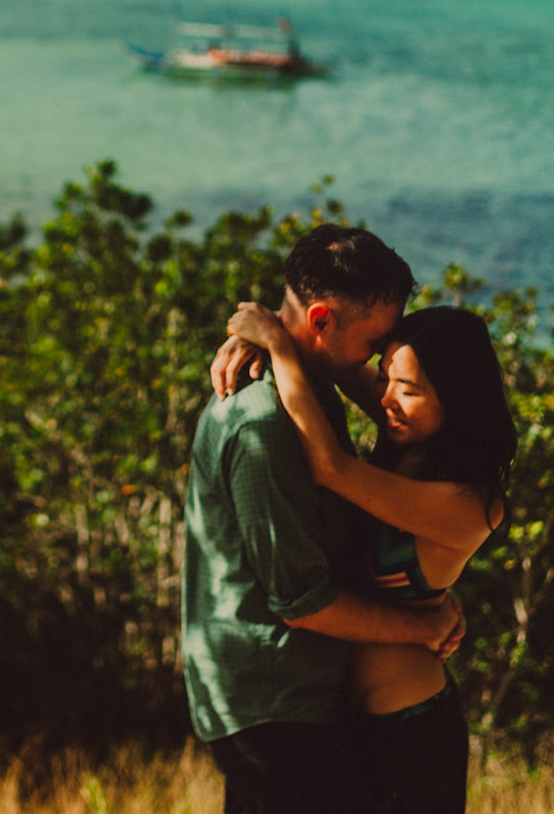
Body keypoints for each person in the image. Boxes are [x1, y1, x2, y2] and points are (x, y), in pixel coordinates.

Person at [183, 225, 465, 814]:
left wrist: (271, 338)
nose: (379, 360)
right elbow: (303, 602)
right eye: (374, 340)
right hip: (272, 707)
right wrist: (425, 627)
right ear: (320, 321)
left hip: (300, 698)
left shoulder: (310, 385)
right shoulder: (265, 424)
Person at [217, 300, 518, 814]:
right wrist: (269, 333)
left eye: (410, 390)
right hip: (344, 719)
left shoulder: (473, 504)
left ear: (457, 398)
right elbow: (333, 354)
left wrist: (275, 343)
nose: (387, 400)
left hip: (411, 734)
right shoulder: (408, 432)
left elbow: (330, 467)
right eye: (387, 380)